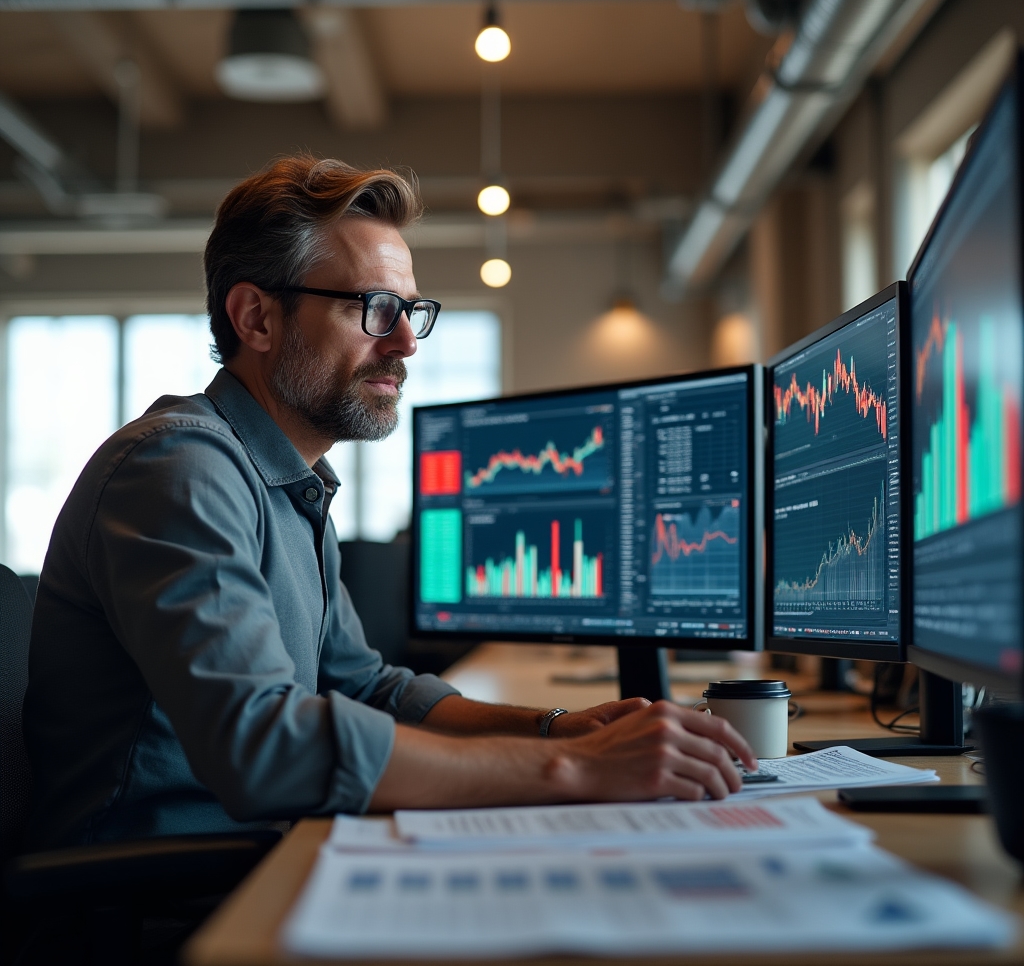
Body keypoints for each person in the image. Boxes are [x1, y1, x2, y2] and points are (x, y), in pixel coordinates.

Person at [22, 156, 756, 851]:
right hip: (161, 900)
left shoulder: (290, 486)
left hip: (264, 853)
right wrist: (581, 772)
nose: (406, 342)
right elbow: (262, 746)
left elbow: (368, 689)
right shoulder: (179, 469)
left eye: (410, 311)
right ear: (257, 319)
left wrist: (558, 731)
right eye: (374, 309)